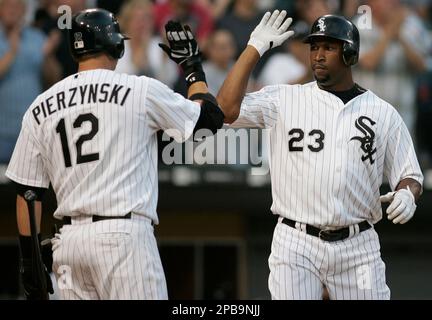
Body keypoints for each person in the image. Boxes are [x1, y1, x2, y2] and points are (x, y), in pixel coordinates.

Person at [6, 8, 224, 299]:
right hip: (123, 237)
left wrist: (29, 260)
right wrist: (193, 68)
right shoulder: (138, 89)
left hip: (68, 245)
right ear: (117, 46)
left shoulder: (41, 105)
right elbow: (207, 120)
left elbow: (28, 193)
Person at [215, 11, 424, 299]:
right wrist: (254, 49)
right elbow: (224, 111)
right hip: (295, 240)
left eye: (329, 47)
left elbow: (410, 175)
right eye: (314, 47)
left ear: (349, 53)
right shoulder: (285, 99)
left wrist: (407, 193)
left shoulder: (382, 112)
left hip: (358, 245)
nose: (318, 55)